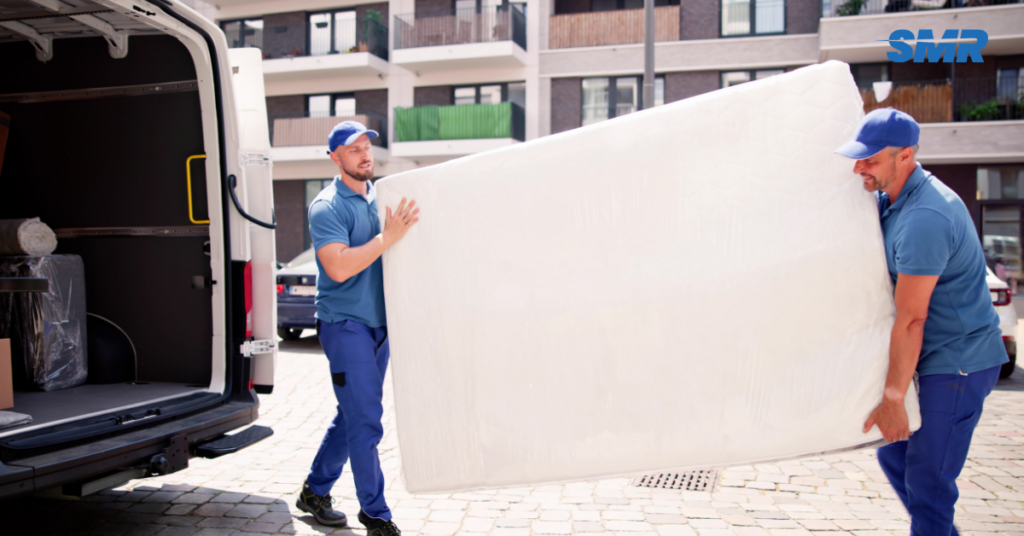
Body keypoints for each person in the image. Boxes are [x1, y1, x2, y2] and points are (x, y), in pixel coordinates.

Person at [836, 108, 1007, 535]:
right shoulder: (892, 199)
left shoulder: (925, 218)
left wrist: (894, 396)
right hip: (935, 356)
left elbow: (912, 318)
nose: (859, 168)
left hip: (959, 362)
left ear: (906, 156)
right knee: (894, 453)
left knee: (929, 482)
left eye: (871, 160)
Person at [295, 120, 419, 536]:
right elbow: (339, 265)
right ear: (335, 157)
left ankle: (314, 490)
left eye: (367, 146)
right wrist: (388, 236)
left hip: (380, 327)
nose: (365, 154)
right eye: (354, 149)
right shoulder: (327, 206)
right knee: (366, 420)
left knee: (352, 415)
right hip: (345, 325)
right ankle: (375, 514)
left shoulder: (381, 197)